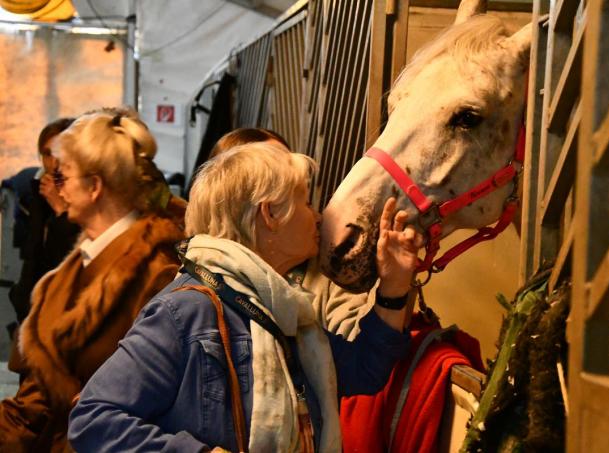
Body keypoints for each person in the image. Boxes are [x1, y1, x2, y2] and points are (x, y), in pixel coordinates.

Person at [68, 141, 422, 452]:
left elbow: (364, 372)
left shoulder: (281, 309)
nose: (316, 217)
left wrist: (394, 285)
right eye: (306, 203)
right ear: (269, 214)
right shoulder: (185, 310)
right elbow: (93, 418)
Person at [0, 112, 185, 452]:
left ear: (94, 186)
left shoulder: (157, 275)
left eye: (63, 176)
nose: (58, 188)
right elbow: (34, 404)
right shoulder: (78, 267)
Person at [207, 128, 374, 339]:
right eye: (270, 165)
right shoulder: (205, 291)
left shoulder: (325, 263)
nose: (290, 172)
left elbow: (357, 356)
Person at [8, 118, 80, 325]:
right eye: (48, 154)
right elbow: (33, 256)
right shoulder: (38, 194)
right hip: (35, 307)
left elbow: (73, 260)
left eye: (61, 154)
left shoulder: (89, 198)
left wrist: (61, 210)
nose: (54, 163)